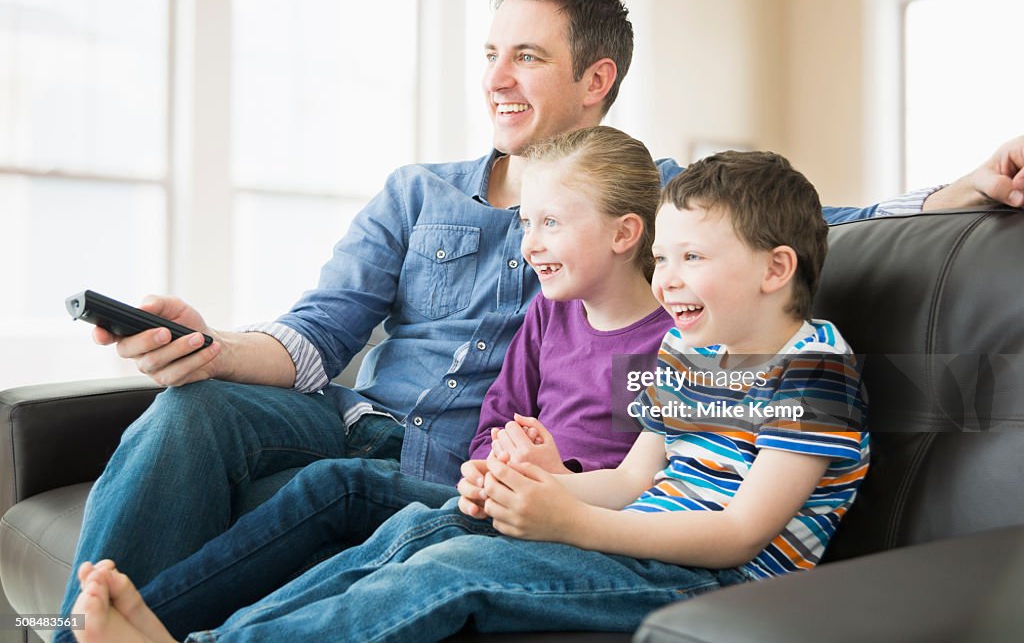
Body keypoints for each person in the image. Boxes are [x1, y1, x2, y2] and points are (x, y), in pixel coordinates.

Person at [56, 0, 1024, 631]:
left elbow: (802, 221)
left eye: (526, 56)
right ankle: (89, 631)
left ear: (595, 81)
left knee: (415, 536)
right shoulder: (417, 191)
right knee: (197, 409)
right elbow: (318, 333)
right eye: (489, 53)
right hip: (366, 423)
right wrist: (213, 347)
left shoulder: (659, 203)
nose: (496, 78)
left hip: (477, 477)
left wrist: (957, 190)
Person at [68, 150, 869, 642]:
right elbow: (633, 480)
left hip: (714, 582)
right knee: (426, 525)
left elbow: (738, 532)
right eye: (666, 256)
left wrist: (572, 519)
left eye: (691, 256)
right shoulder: (686, 354)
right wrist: (533, 488)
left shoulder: (814, 366)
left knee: (450, 572)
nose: (667, 278)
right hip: (632, 532)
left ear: (776, 268)